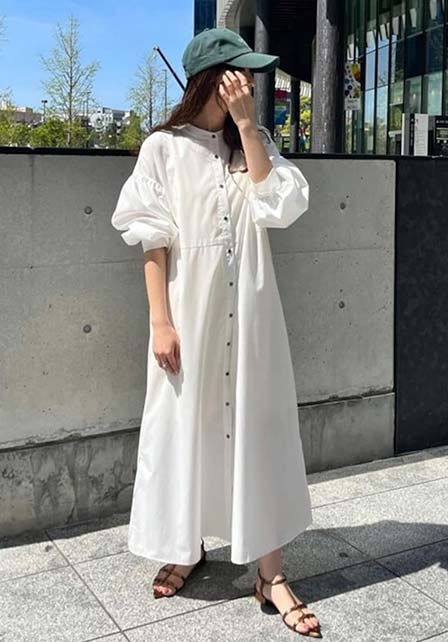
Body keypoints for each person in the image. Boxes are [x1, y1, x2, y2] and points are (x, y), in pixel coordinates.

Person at [110, 27, 321, 639]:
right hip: (190, 313)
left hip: (252, 315)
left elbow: (282, 207)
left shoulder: (253, 143)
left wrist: (249, 127)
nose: (249, 82)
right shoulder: (163, 148)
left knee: (259, 429)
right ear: (211, 78)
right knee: (186, 428)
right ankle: (186, 546)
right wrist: (161, 322)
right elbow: (152, 240)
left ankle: (271, 573)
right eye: (239, 73)